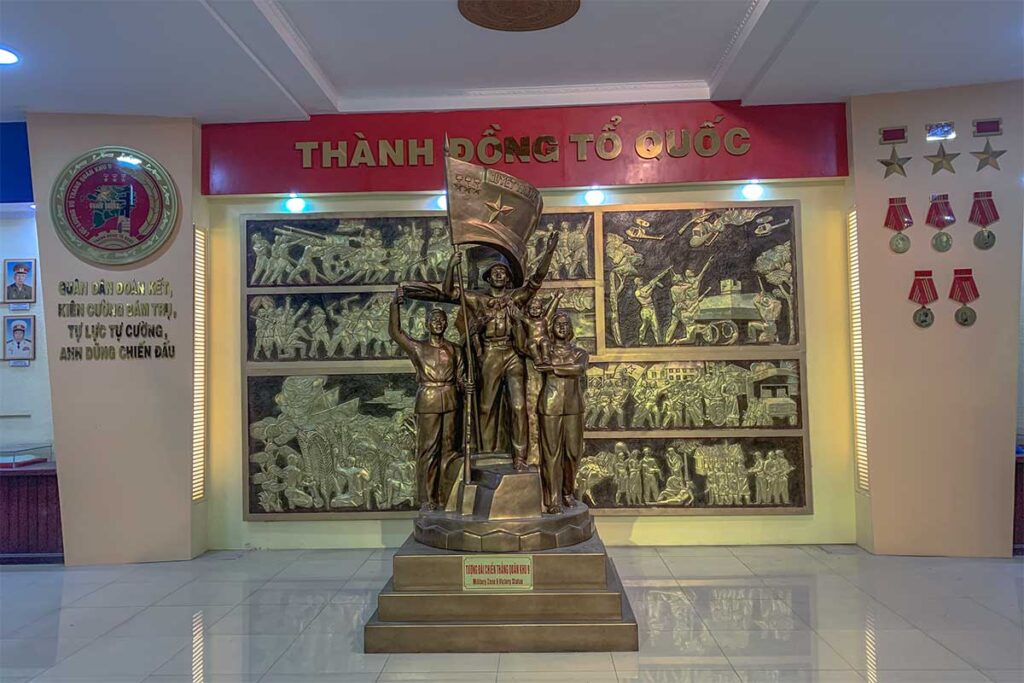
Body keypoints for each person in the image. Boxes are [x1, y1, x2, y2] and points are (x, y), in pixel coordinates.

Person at [441, 232, 559, 471]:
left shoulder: (515, 298)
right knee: (486, 406)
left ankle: (520, 457)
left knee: (518, 406)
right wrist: (451, 268)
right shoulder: (477, 299)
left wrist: (548, 253)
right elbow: (450, 293)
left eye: (502, 272)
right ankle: (485, 454)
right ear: (488, 278)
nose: (498, 274)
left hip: (512, 353)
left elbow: (536, 281)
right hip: (489, 354)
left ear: (507, 279)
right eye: (494, 272)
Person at [388, 286, 466, 510]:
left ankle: (445, 498)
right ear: (427, 324)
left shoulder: (456, 350)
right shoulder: (418, 348)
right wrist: (395, 305)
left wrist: (465, 385)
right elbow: (396, 332)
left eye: (442, 320)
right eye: (434, 320)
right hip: (429, 399)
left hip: (451, 400)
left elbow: (460, 378)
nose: (438, 323)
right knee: (428, 450)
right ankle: (427, 499)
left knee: (450, 451)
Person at [535, 311, 588, 513]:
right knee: (551, 454)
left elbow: (579, 369)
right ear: (552, 328)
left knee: (573, 453)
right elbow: (540, 364)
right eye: (558, 324)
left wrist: (553, 368)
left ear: (571, 328)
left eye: (566, 324)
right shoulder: (545, 351)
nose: (562, 327)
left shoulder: (580, 352)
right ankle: (553, 499)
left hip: (573, 407)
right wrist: (553, 365)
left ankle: (568, 492)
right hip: (550, 405)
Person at [633, 267, 672, 345]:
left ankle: (659, 342)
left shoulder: (644, 288)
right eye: (640, 280)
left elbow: (649, 285)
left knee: (655, 326)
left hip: (651, 309)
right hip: (645, 310)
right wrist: (653, 287)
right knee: (644, 326)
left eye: (641, 280)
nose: (641, 281)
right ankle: (640, 340)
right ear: (637, 283)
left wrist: (654, 281)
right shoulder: (637, 292)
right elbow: (646, 295)